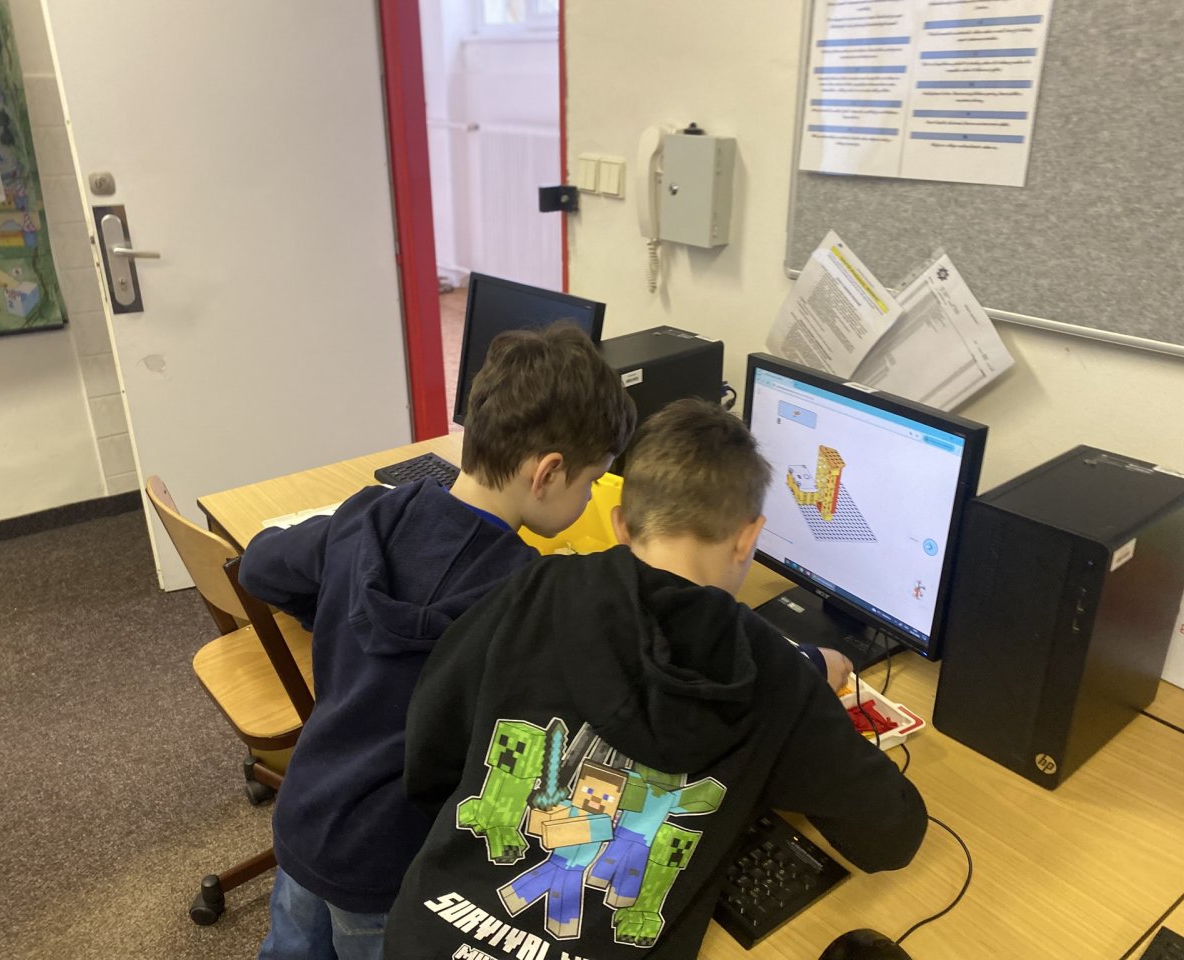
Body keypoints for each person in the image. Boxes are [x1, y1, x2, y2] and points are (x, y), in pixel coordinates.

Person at [385, 398, 927, 957]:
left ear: (621, 523)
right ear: (748, 537)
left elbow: (430, 749)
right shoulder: (776, 675)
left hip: (426, 940)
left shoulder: (537, 586)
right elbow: (891, 836)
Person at [239, 322, 637, 960]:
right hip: (388, 858)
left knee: (291, 948)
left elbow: (259, 564)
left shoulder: (370, 514)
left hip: (307, 811)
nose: (590, 497)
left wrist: (335, 607)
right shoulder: (525, 598)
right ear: (548, 473)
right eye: (592, 482)